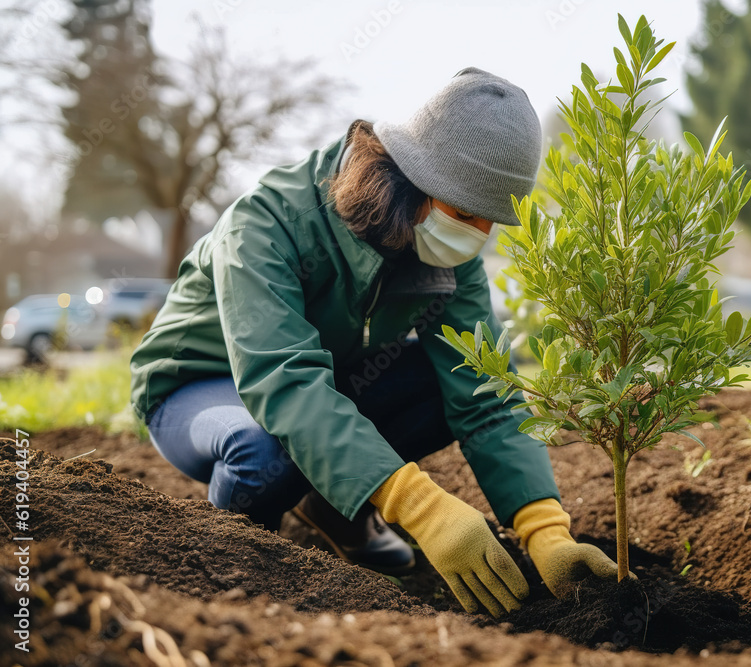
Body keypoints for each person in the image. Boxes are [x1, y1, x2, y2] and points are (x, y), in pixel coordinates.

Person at [130, 68, 618, 618]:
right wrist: (421, 506)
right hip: (198, 386)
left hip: (327, 382)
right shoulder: (267, 222)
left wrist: (545, 531)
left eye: (490, 223)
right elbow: (284, 383)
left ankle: (334, 506)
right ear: (409, 179)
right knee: (262, 450)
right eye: (463, 214)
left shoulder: (446, 257)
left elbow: (484, 394)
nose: (476, 237)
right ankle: (236, 572)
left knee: (451, 376)